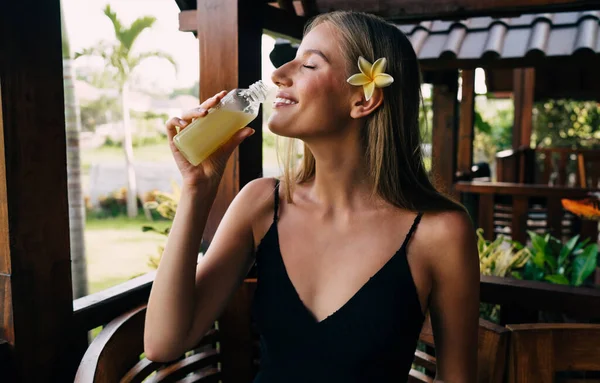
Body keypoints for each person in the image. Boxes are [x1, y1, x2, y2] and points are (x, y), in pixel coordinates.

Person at [144, 11, 480, 383]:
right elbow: (164, 344)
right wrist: (197, 189)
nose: (277, 74)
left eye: (308, 64)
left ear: (363, 100)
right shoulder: (260, 204)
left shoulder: (440, 232)